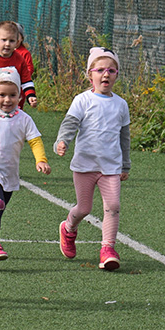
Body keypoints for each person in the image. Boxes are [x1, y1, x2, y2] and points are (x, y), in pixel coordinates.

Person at [54, 47, 131, 271]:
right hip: (85, 165)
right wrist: (62, 141)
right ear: (90, 75)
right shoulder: (82, 100)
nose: (105, 74)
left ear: (117, 75)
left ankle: (108, 249)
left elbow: (124, 137)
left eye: (111, 70)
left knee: (113, 206)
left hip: (111, 167)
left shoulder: (121, 105)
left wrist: (125, 164)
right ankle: (68, 229)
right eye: (100, 70)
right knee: (84, 208)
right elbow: (70, 124)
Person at [0, 66, 51, 263]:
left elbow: (35, 140)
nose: (7, 100)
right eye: (2, 95)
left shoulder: (24, 119)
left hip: (10, 173)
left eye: (12, 95)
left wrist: (41, 160)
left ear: (19, 96)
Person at [12, 22, 35, 109]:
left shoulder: (24, 53)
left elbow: (29, 69)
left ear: (21, 38)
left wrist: (19, 75)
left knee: (16, 108)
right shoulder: (5, 52)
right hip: (4, 85)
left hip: (19, 87)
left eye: (17, 37)